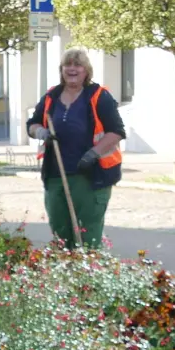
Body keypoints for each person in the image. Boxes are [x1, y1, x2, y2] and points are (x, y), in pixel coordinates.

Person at [25, 47, 125, 250]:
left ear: (86, 70)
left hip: (90, 176)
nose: (72, 69)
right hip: (56, 174)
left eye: (77, 65)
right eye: (67, 65)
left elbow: (116, 131)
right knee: (60, 232)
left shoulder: (99, 96)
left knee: (88, 233)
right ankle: (67, 274)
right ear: (61, 70)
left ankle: (91, 273)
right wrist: (41, 132)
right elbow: (32, 124)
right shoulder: (51, 96)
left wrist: (93, 153)